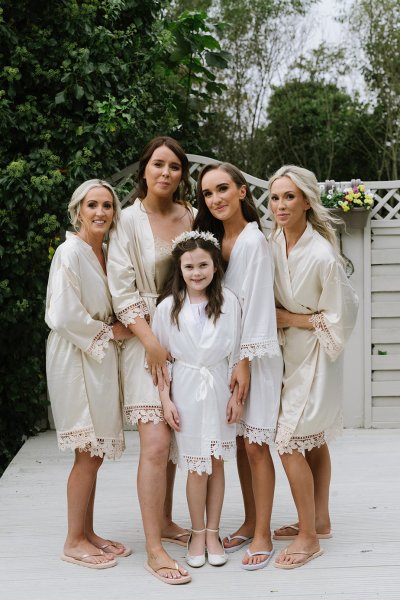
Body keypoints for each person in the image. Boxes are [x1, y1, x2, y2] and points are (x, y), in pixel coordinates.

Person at [107, 137, 195, 584]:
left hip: (188, 335)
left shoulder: (193, 218)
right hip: (145, 338)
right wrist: (151, 342)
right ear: (144, 170)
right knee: (156, 444)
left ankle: (166, 520)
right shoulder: (125, 221)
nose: (166, 172)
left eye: (175, 166)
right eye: (158, 164)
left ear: (182, 174)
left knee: (176, 438)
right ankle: (154, 549)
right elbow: (121, 289)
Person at [268, 165, 358, 569]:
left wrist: (291, 320)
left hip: (317, 353)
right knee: (313, 440)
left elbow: (341, 315)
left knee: (288, 442)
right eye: (274, 197)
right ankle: (319, 520)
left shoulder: (321, 253)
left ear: (306, 200)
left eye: (289, 196)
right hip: (286, 354)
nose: (281, 205)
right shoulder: (273, 241)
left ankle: (309, 538)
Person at [193, 163, 283, 570]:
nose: (216, 199)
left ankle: (263, 533)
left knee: (256, 445)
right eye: (208, 193)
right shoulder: (212, 242)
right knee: (242, 449)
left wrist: (244, 361)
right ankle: (249, 520)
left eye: (223, 189)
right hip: (227, 358)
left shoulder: (253, 242)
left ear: (243, 191)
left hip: (256, 357)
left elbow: (260, 307)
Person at [45, 179, 133, 569]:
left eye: (108, 206)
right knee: (86, 452)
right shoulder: (69, 252)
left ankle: (88, 532)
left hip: (98, 355)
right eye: (92, 205)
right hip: (75, 353)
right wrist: (111, 331)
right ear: (78, 209)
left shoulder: (105, 253)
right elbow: (62, 314)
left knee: (94, 451)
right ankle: (73, 540)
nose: (100, 212)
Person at [153, 231, 242, 572]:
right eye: (189, 266)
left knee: (216, 461)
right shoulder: (167, 308)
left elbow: (236, 355)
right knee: (195, 465)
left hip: (219, 386)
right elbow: (160, 362)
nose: (197, 272)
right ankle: (196, 532)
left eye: (203, 265)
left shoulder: (229, 302)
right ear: (180, 269)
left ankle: (214, 533)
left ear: (215, 267)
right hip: (186, 390)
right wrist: (166, 400)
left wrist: (236, 396)